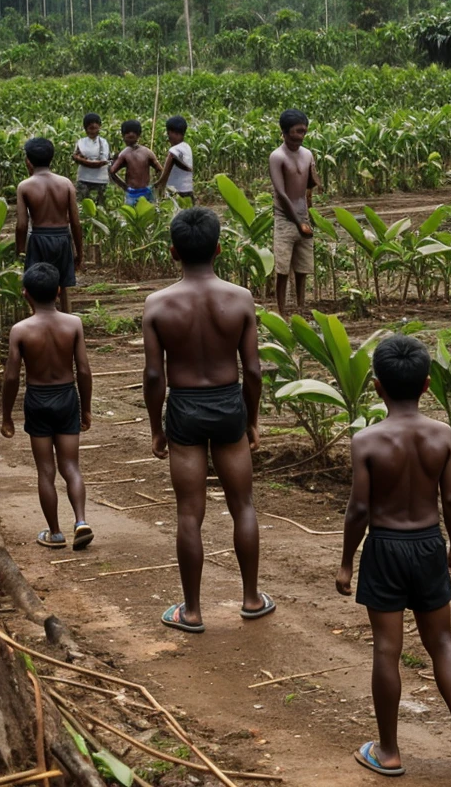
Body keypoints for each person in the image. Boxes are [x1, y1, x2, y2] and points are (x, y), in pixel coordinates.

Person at [336, 335, 451, 776]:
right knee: (442, 641)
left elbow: (359, 509)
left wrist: (348, 560)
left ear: (377, 386)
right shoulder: (441, 435)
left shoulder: (366, 440)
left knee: (387, 649)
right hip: (427, 544)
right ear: (426, 386)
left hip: (384, 547)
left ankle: (389, 752)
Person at [142, 207, 274, 633]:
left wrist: (156, 428)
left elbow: (153, 375)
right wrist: (251, 419)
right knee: (243, 506)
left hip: (184, 407)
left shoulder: (157, 304)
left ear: (173, 252)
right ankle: (252, 598)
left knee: (188, 513)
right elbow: (252, 370)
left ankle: (193, 610)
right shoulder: (240, 298)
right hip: (227, 403)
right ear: (219, 248)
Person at [0, 262, 94, 551]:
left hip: (38, 399)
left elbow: (13, 376)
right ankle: (80, 521)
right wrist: (86, 408)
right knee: (71, 466)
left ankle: (54, 533)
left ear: (25, 294)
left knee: (45, 471)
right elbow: (84, 370)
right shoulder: (73, 323)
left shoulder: (20, 330)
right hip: (67, 397)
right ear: (57, 291)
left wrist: (6, 416)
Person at [16, 137, 82, 314]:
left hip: (38, 239)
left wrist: (20, 250)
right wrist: (79, 252)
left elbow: (22, 225)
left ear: (28, 161)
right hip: (62, 238)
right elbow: (75, 222)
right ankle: (67, 320)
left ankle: (39, 320)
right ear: (51, 158)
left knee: (35, 284)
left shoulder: (24, 186)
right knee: (63, 286)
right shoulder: (66, 183)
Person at [269, 109, 321, 317]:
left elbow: (309, 186)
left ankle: (300, 307)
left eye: (304, 132)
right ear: (284, 131)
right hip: (285, 218)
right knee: (282, 269)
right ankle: (281, 311)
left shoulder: (307, 154)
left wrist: (308, 215)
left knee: (302, 268)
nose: (301, 136)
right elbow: (281, 193)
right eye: (297, 131)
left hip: (303, 216)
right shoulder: (277, 156)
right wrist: (298, 221)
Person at [109, 120, 163, 206]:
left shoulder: (127, 153)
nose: (130, 135)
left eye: (132, 132)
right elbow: (112, 171)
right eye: (128, 133)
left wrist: (156, 184)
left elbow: (160, 170)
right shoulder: (144, 152)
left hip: (142, 191)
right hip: (135, 192)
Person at [72, 112, 111, 207]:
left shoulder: (103, 142)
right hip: (83, 179)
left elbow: (102, 161)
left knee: (100, 208)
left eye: (95, 128)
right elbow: (76, 157)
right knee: (82, 207)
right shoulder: (81, 142)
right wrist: (87, 161)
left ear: (99, 127)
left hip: (101, 180)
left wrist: (84, 160)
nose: (93, 131)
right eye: (90, 128)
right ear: (86, 129)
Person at [156, 115, 194, 204]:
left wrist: (157, 187)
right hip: (188, 192)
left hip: (177, 193)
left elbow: (165, 175)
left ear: (175, 133)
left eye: (169, 134)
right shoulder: (187, 147)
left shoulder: (173, 151)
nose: (169, 138)